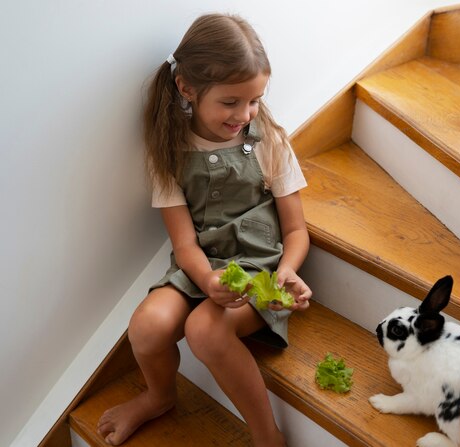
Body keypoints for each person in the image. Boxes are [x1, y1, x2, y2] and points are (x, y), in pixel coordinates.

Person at [96, 13, 312, 447]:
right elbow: (183, 241)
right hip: (199, 266)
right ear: (187, 89)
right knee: (147, 327)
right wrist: (207, 280)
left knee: (204, 330)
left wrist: (287, 271)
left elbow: (296, 230)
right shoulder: (168, 149)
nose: (245, 114)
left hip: (259, 266)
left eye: (253, 100)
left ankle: (267, 435)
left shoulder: (268, 140)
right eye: (231, 102)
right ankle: (159, 396)